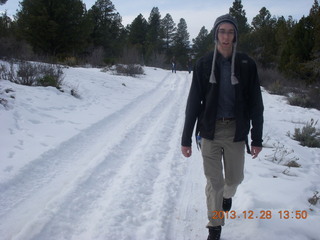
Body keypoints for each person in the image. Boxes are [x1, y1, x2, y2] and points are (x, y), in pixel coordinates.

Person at [181, 14, 264, 240]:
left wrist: (257, 138)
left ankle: (227, 196)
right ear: (215, 34)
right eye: (222, 31)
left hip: (236, 131)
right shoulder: (204, 64)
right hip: (210, 131)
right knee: (214, 182)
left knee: (234, 179)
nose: (225, 36)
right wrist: (185, 139)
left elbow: (256, 103)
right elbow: (193, 103)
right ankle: (215, 226)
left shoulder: (247, 64)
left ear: (235, 35)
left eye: (230, 31)